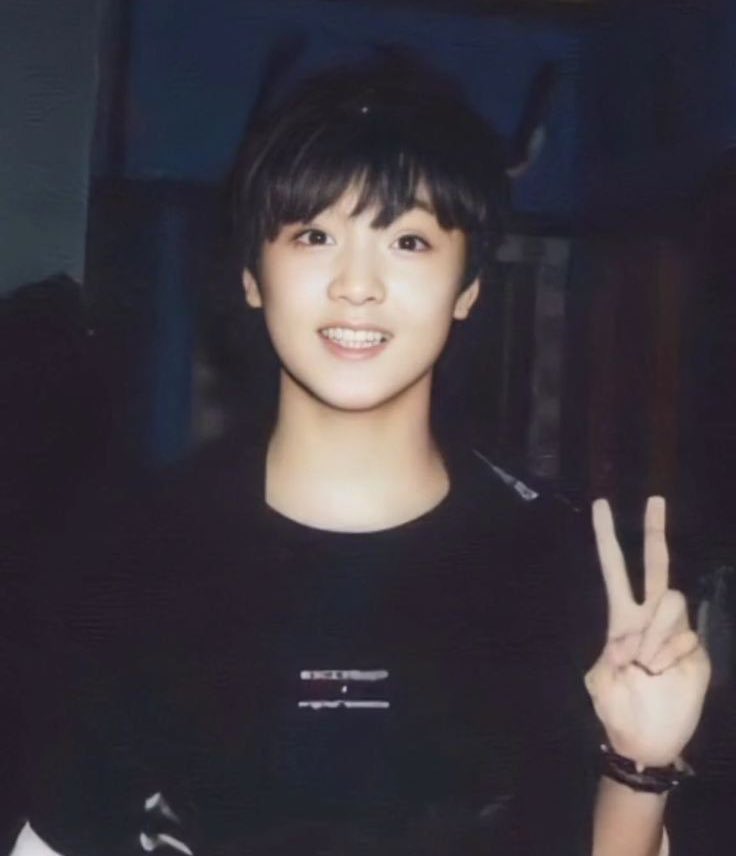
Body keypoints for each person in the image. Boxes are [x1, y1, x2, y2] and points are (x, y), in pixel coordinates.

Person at [17, 55, 711, 856]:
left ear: (468, 288)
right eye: (315, 235)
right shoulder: (127, 559)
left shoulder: (556, 565)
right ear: (251, 275)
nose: (357, 284)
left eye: (409, 240)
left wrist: (639, 764)